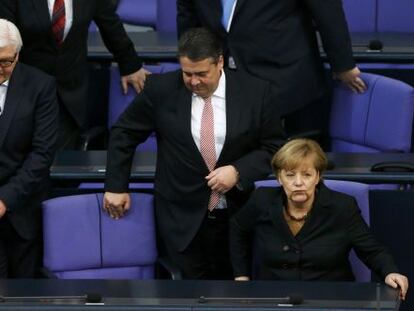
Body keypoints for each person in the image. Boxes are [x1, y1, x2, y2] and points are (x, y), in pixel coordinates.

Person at [104, 28, 285, 279]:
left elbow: (275, 147)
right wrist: (116, 185)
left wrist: (239, 170)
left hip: (238, 219)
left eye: (201, 74)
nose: (194, 81)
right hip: (181, 217)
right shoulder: (161, 90)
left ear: (219, 62)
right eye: (187, 73)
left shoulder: (257, 92)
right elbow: (123, 132)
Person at [229, 139, 409, 299]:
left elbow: (371, 250)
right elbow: (237, 228)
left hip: (330, 299)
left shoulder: (342, 207)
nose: (298, 182)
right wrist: (241, 275)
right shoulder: (262, 200)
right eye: (290, 175)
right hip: (273, 298)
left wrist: (390, 272)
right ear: (279, 178)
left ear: (318, 177)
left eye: (306, 174)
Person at [177, 0, 367, 139]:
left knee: (291, 165)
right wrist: (189, 61)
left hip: (285, 76)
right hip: (226, 77)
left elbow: (327, 10)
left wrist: (342, 64)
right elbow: (188, 13)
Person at [0, 0, 149, 149]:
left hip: (70, 94)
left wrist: (130, 65)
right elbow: (4, 39)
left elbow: (109, 23)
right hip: (24, 92)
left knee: (61, 160)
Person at [0, 19, 58, 278]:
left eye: (5, 62)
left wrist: (4, 199)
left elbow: (42, 154)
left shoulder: (40, 86)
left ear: (18, 55)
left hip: (21, 209)